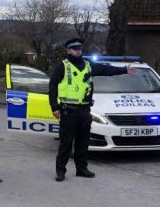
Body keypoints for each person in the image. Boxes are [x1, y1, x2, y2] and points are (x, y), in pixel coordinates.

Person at [48, 38, 136, 182]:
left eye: (80, 48)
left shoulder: (88, 65)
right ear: (68, 50)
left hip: (84, 110)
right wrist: (54, 107)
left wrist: (124, 69)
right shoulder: (63, 66)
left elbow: (106, 69)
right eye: (75, 48)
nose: (78, 50)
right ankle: (60, 170)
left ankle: (81, 169)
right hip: (68, 111)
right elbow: (52, 87)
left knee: (83, 142)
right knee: (66, 143)